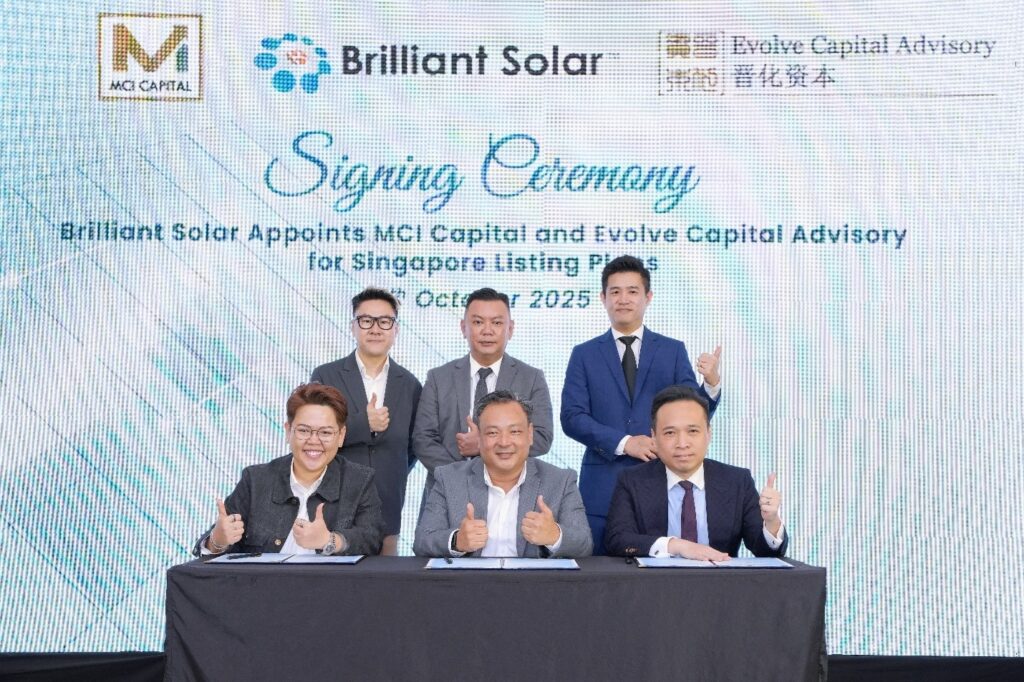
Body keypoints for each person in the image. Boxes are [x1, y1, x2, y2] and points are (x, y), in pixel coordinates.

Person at [561, 255, 723, 554]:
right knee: (599, 574)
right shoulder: (584, 354)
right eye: (615, 291)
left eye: (632, 291)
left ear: (648, 297)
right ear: (603, 298)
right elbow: (572, 417)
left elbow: (692, 411)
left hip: (660, 484)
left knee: (658, 571)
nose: (623, 299)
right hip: (602, 488)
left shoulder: (672, 350)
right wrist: (625, 443)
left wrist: (711, 383)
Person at [192, 383, 385, 557]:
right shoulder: (256, 480)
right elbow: (210, 546)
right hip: (263, 584)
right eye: (304, 430)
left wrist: (329, 541)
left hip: (329, 585)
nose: (313, 440)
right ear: (288, 431)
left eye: (325, 432)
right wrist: (217, 541)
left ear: (341, 436)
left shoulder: (359, 480)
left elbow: (371, 538)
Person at [604, 385, 786, 559]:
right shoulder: (632, 480)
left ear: (708, 434)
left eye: (692, 431)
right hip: (657, 581)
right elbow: (617, 540)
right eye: (670, 433)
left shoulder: (738, 481)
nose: (682, 444)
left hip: (719, 579)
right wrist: (675, 546)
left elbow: (765, 552)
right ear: (654, 436)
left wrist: (771, 522)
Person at [310, 287, 422, 555]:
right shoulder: (326, 376)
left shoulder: (410, 384)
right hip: (333, 508)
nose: (375, 329)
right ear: (353, 327)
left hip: (387, 508)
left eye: (385, 321)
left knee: (383, 580)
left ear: (396, 330)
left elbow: (411, 450)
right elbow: (313, 438)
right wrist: (363, 424)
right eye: (366, 320)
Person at [413, 390, 591, 558]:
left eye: (515, 432)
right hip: (470, 580)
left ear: (530, 434)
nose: (504, 442)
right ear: (479, 438)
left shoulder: (561, 481)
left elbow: (584, 544)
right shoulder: (449, 478)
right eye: (493, 433)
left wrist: (555, 536)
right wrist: (457, 541)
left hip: (532, 580)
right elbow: (422, 541)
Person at [413, 287, 553, 496]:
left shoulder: (531, 378)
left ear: (510, 329)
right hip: (447, 494)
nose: (487, 331)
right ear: (463, 328)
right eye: (478, 322)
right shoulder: (438, 378)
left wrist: (483, 444)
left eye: (496, 323)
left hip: (511, 494)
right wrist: (459, 478)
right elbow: (423, 439)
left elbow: (542, 437)